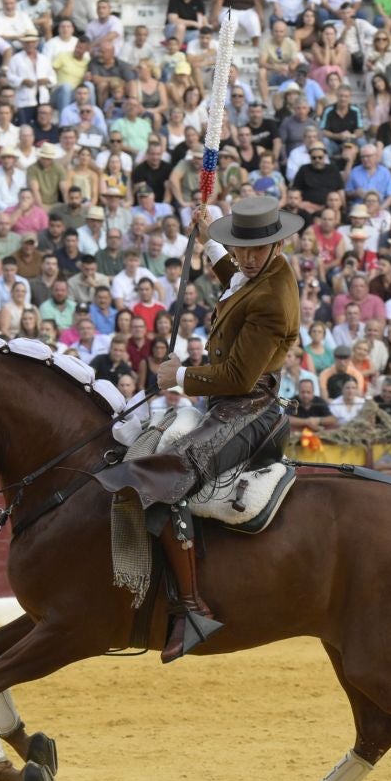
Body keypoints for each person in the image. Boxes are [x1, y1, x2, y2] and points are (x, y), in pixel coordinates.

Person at [101, 194, 303, 663]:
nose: (247, 258)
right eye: (242, 248)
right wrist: (211, 233)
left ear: (275, 246)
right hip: (232, 407)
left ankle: (192, 609)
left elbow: (237, 378)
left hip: (249, 411)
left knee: (169, 477)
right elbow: (235, 279)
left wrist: (181, 377)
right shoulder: (263, 273)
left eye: (256, 250)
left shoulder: (274, 299)